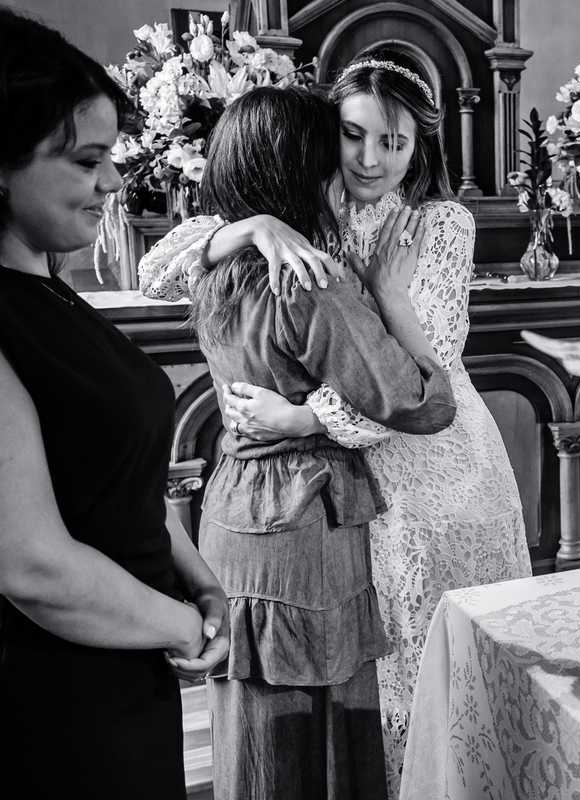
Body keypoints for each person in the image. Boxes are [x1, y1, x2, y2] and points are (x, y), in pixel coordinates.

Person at [140, 46, 532, 790]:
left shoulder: (440, 222)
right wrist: (253, 226)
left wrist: (303, 419)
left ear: (420, 149)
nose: (371, 159)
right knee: (365, 665)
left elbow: (427, 369)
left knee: (430, 653)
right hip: (333, 487)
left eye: (395, 142)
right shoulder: (303, 200)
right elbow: (157, 273)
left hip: (428, 464)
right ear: (328, 134)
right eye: (354, 135)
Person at [188, 85, 458, 799]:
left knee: (250, 733)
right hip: (302, 529)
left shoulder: (212, 268)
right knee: (314, 736)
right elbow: (423, 403)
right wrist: (388, 297)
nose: (351, 166)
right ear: (303, 166)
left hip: (232, 516)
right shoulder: (309, 280)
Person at [0, 10, 229, 798]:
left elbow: (122, 478)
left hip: (130, 664)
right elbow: (30, 566)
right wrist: (179, 623)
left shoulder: (53, 292)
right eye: (86, 161)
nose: (111, 184)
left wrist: (199, 580)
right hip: (52, 695)